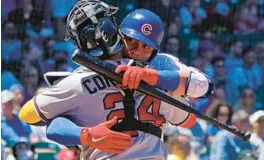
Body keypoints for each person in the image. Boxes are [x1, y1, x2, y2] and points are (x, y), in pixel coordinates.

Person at [19, 1, 213, 159]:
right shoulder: (160, 72)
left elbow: (28, 115)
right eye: (133, 41)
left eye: (143, 45)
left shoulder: (76, 83)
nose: (138, 49)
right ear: (116, 31)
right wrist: (154, 79)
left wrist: (84, 134)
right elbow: (190, 118)